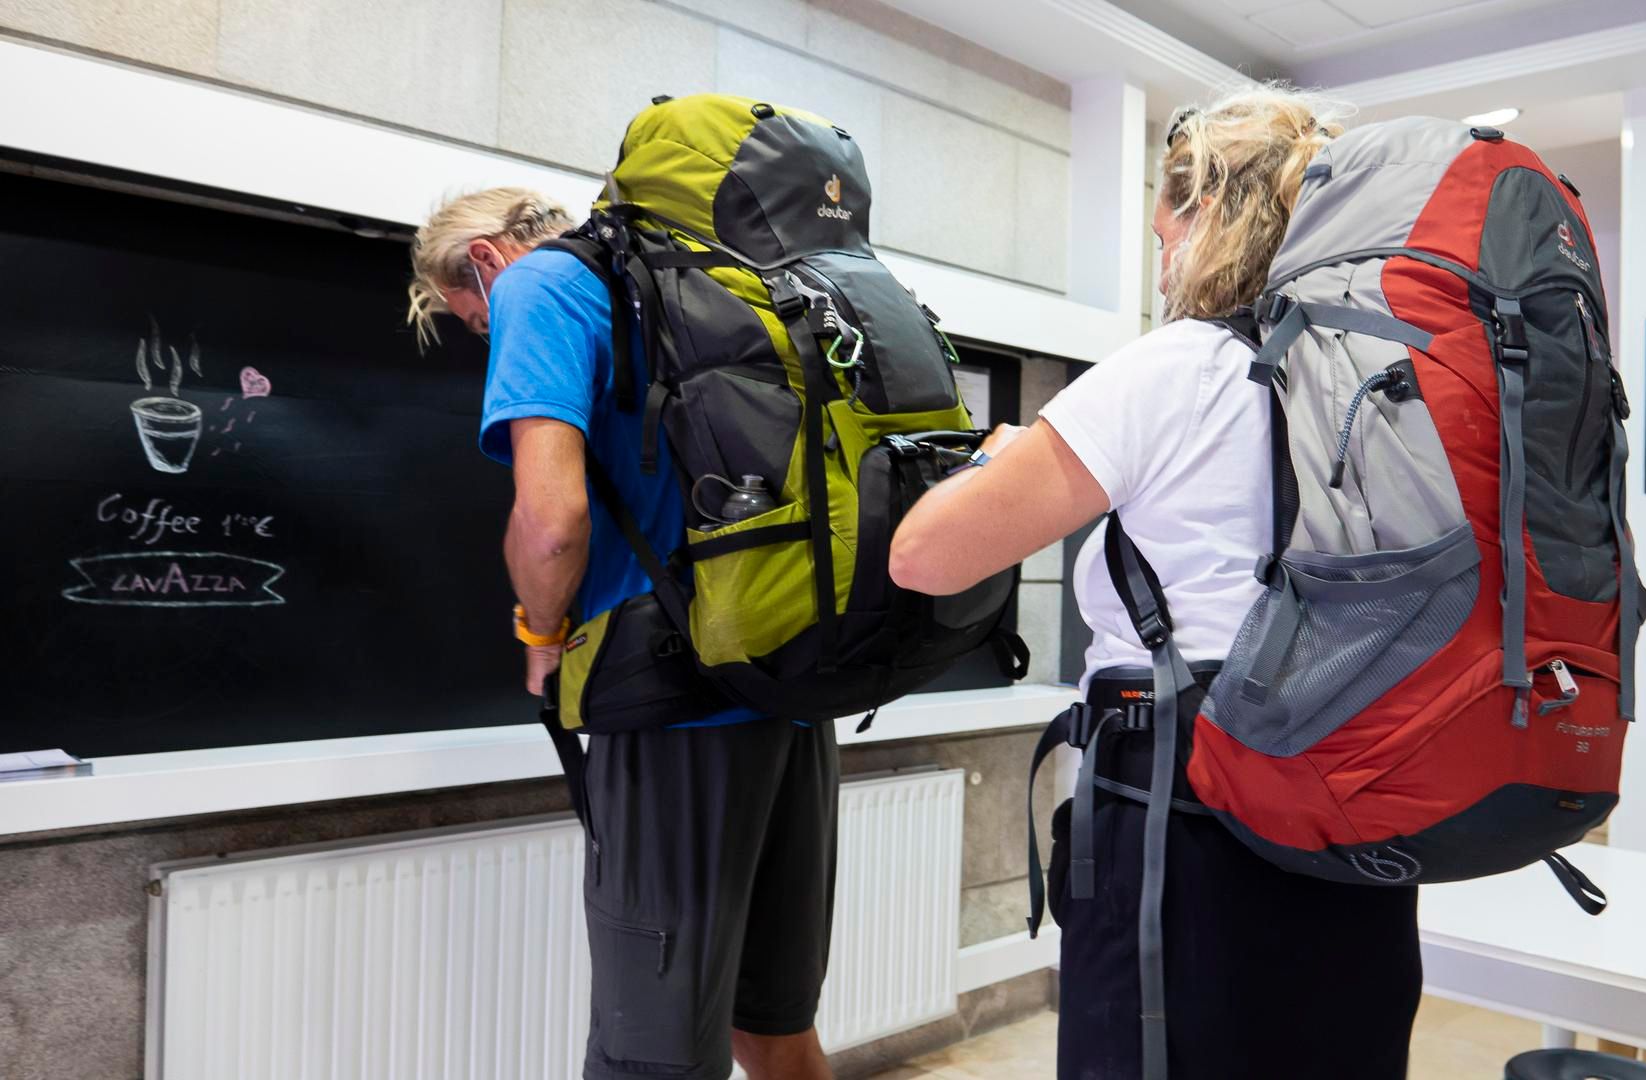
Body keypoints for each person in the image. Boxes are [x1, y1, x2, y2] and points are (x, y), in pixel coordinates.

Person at [890, 86, 1422, 1078]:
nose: (1162, 253)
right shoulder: (1392, 381)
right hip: (1358, 800)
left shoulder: (1177, 368)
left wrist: (994, 466)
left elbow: (927, 556)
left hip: (1190, 806)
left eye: (1164, 229)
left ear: (1208, 218)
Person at [405, 188, 836, 1080]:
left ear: (484, 262)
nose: (490, 338)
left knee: (649, 1055)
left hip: (670, 701)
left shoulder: (541, 286)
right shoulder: (691, 283)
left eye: (475, 327)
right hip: (789, 685)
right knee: (771, 1024)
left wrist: (541, 628)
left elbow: (553, 521)